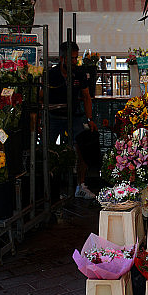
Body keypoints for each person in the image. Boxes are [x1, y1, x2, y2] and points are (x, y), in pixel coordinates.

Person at [48, 41, 98, 200]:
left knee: (83, 148)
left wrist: (90, 119)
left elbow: (86, 97)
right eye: (72, 59)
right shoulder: (51, 74)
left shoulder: (80, 73)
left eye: (76, 58)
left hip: (74, 116)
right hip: (54, 117)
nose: (75, 62)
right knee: (48, 150)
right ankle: (50, 188)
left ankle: (81, 186)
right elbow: (41, 97)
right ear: (62, 58)